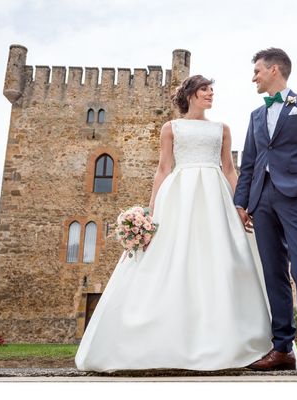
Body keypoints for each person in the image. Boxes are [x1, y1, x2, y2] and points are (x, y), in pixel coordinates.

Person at [75, 75, 274, 372]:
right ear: (191, 94)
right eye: (205, 89)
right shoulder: (171, 128)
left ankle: (228, 337)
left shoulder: (222, 129)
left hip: (215, 195)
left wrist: (242, 204)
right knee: (171, 257)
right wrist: (151, 212)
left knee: (221, 258)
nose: (210, 94)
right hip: (179, 196)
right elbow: (163, 169)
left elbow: (231, 170)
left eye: (212, 90)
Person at [234, 48, 297, 377]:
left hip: (296, 197)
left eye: (257, 71)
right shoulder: (254, 115)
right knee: (273, 273)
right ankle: (282, 349)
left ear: (274, 69)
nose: (254, 77)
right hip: (261, 201)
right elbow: (248, 163)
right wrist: (241, 203)